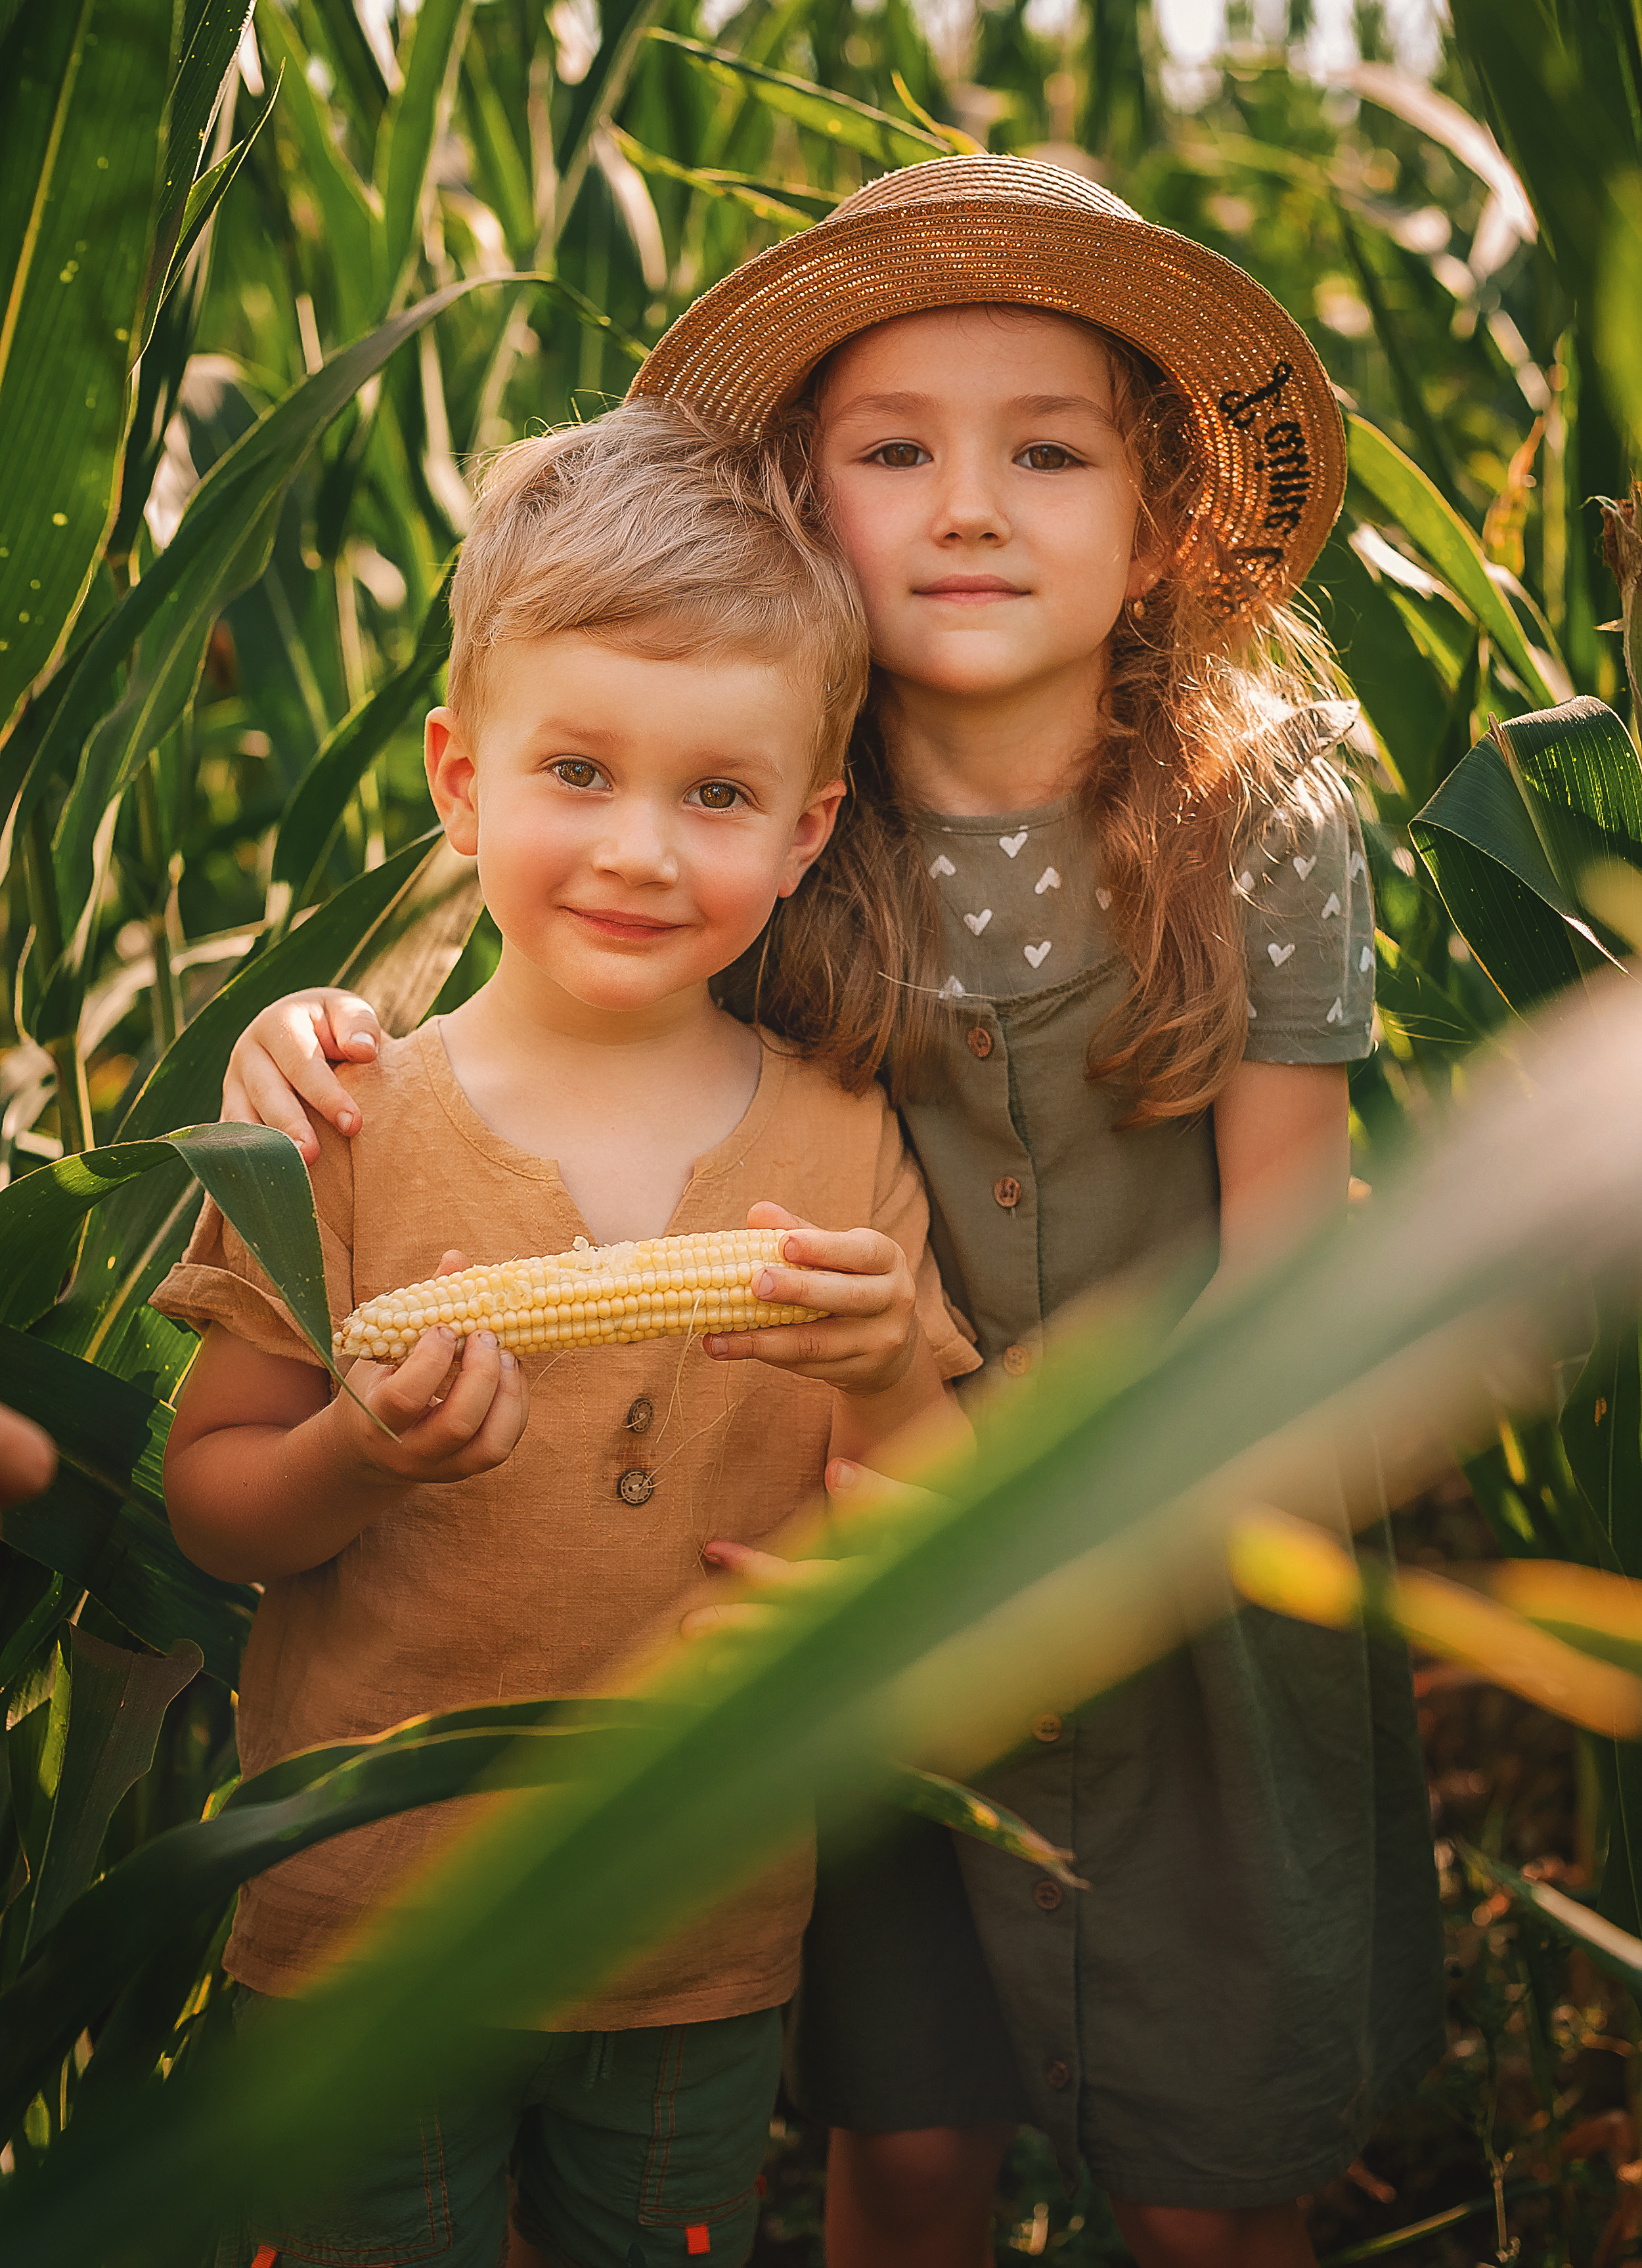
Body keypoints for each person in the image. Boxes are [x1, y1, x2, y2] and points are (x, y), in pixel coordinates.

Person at [216, 157, 1444, 2268]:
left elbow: (1288, 1282)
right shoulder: (780, 804)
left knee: (1204, 2170)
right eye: (896, 452)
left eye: (1045, 453)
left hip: (1166, 1555)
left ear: (1156, 519)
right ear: (809, 505)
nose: (968, 506)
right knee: (907, 2124)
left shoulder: (1259, 813)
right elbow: (553, 1009)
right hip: (834, 1594)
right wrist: (307, 1040)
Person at [152, 397, 979, 2268]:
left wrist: (878, 1370)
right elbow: (216, 1507)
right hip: (364, 1920)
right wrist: (355, 1456)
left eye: (714, 795)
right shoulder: (340, 1127)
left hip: (686, 1931)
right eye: (576, 772)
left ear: (807, 825)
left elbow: (924, 1536)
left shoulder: (843, 1140)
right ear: (459, 778)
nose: (636, 848)